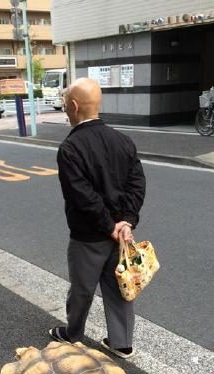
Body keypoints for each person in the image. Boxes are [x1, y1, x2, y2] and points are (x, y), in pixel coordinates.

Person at [49, 78, 146, 359]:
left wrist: (108, 226)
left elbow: (83, 196)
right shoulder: (123, 140)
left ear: (74, 106)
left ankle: (73, 335)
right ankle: (121, 342)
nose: (66, 109)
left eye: (66, 104)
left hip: (89, 235)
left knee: (82, 288)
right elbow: (137, 184)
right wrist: (126, 221)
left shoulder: (71, 148)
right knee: (120, 287)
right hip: (122, 236)